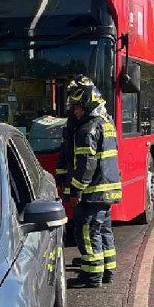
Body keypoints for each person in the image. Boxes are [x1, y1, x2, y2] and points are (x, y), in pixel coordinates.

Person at [64, 77, 122, 288]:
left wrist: (75, 191)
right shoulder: (107, 123)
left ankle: (91, 275)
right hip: (108, 191)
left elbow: (85, 165)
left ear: (87, 105)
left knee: (86, 232)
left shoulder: (87, 129)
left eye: (77, 108)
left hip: (93, 191)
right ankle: (108, 269)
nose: (75, 112)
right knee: (104, 230)